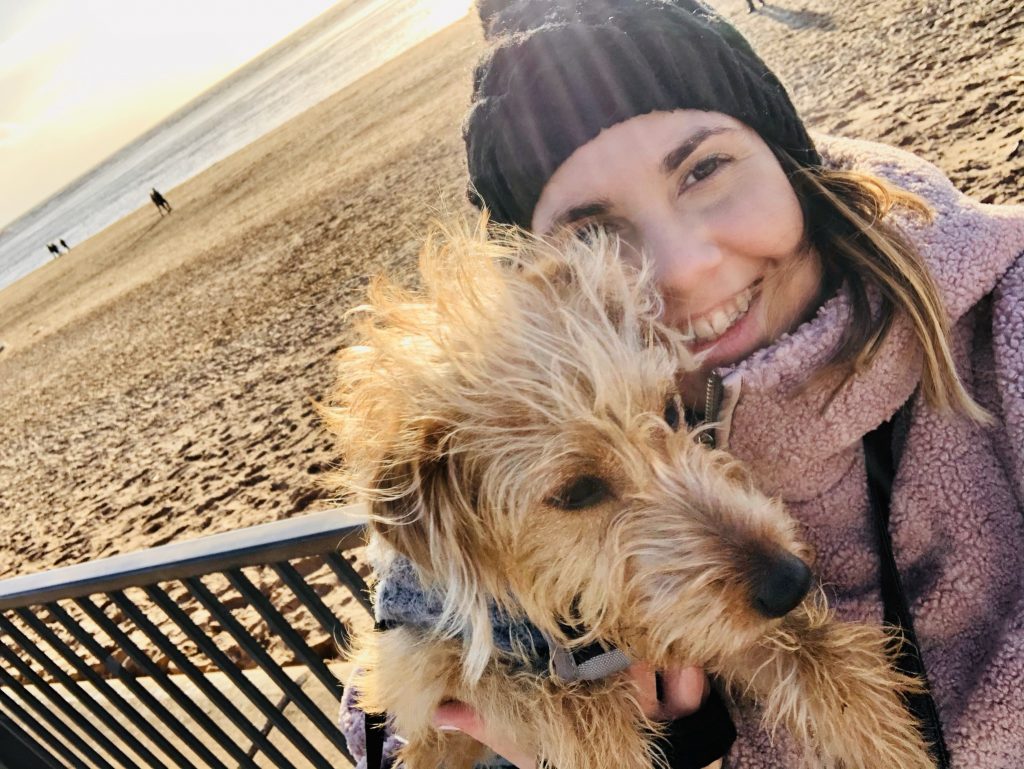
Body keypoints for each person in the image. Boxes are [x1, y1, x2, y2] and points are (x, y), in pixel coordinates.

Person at [341, 1, 1024, 767]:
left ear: (785, 153)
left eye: (704, 168)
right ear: (545, 281)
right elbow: (393, 710)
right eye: (595, 234)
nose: (683, 268)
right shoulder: (475, 471)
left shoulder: (1006, 322)